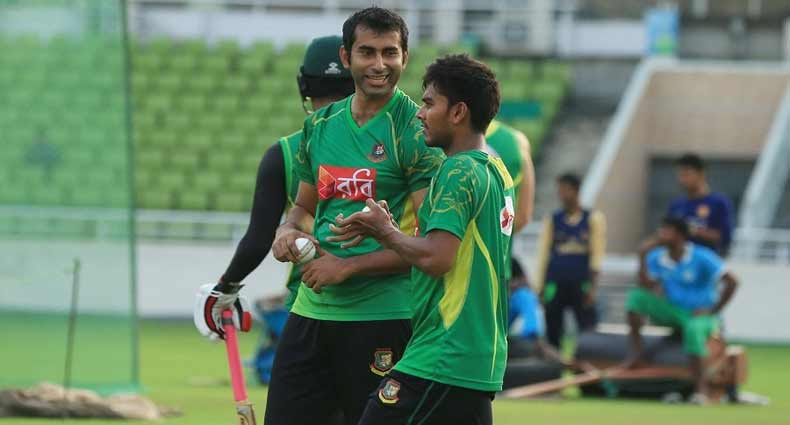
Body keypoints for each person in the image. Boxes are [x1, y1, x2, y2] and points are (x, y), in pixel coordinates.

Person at [269, 7, 444, 425]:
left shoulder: (415, 133)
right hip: (311, 311)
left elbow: (430, 247)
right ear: (346, 57)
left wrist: (347, 266)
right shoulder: (320, 125)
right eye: (368, 52)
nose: (379, 64)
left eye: (390, 52)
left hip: (384, 317)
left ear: (404, 57)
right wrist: (287, 231)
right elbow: (304, 209)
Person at [336, 54, 510, 425]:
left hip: (443, 354)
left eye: (430, 104)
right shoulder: (496, 170)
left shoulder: (458, 171)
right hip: (474, 356)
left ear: (458, 112)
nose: (420, 113)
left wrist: (385, 232)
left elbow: (437, 258)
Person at [624, 216, 738, 404]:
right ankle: (638, 354)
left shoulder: (702, 256)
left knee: (693, 330)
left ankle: (701, 390)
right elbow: (646, 286)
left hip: (700, 315)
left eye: (667, 231)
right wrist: (642, 255)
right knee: (636, 298)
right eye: (661, 230)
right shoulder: (657, 256)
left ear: (680, 235)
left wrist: (713, 310)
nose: (661, 234)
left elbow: (733, 281)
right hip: (674, 311)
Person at [535, 172, 606, 348]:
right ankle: (555, 362)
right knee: (553, 328)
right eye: (559, 190)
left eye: (565, 190)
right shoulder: (553, 219)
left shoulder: (593, 219)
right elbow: (543, 253)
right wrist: (540, 286)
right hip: (555, 281)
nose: (561, 194)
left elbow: (597, 255)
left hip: (581, 282)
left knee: (587, 328)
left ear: (576, 190)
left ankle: (586, 362)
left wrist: (593, 288)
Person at [485, 120, 536, 283]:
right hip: (497, 272)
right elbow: (522, 218)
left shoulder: (432, 137)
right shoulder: (517, 141)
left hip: (444, 277)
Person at [668, 153, 735, 256]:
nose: (682, 179)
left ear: (701, 174)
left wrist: (693, 230)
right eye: (680, 175)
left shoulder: (719, 202)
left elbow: (725, 238)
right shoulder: (676, 204)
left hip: (708, 260)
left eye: (686, 174)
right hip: (680, 262)